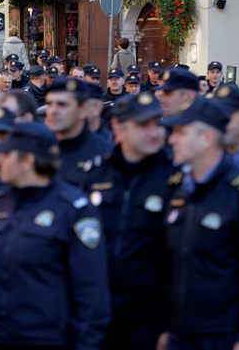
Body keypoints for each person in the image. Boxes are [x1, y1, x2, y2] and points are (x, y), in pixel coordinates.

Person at [0, 121, 111, 350]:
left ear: (27, 160)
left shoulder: (72, 209)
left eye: (7, 154)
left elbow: (91, 291)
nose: (0, 161)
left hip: (46, 338)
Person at [160, 97, 239, 350]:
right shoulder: (177, 189)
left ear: (206, 138)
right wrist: (165, 328)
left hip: (223, 336)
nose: (171, 140)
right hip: (179, 334)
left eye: (181, 133)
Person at [82, 93, 176, 350]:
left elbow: (181, 260)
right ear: (118, 128)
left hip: (150, 312)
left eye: (157, 124)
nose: (154, 132)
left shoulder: (174, 179)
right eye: (143, 125)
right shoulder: (96, 174)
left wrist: (170, 325)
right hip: (98, 308)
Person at [45, 78, 112, 186]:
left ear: (83, 110)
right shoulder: (37, 148)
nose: (53, 111)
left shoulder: (107, 154)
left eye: (62, 104)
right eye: (49, 104)